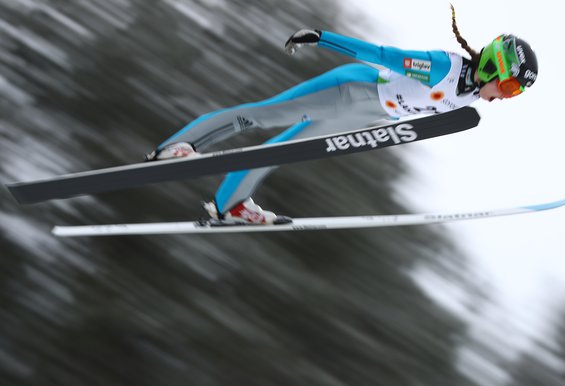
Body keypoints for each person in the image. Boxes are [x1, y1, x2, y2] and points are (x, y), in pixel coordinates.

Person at [145, 6, 538, 225]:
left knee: (281, 150)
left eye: (515, 93)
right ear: (493, 68)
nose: (506, 97)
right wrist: (322, 36)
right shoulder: (443, 68)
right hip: (352, 88)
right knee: (265, 116)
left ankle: (229, 204)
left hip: (367, 114)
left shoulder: (467, 101)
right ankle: (177, 146)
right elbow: (384, 56)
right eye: (508, 87)